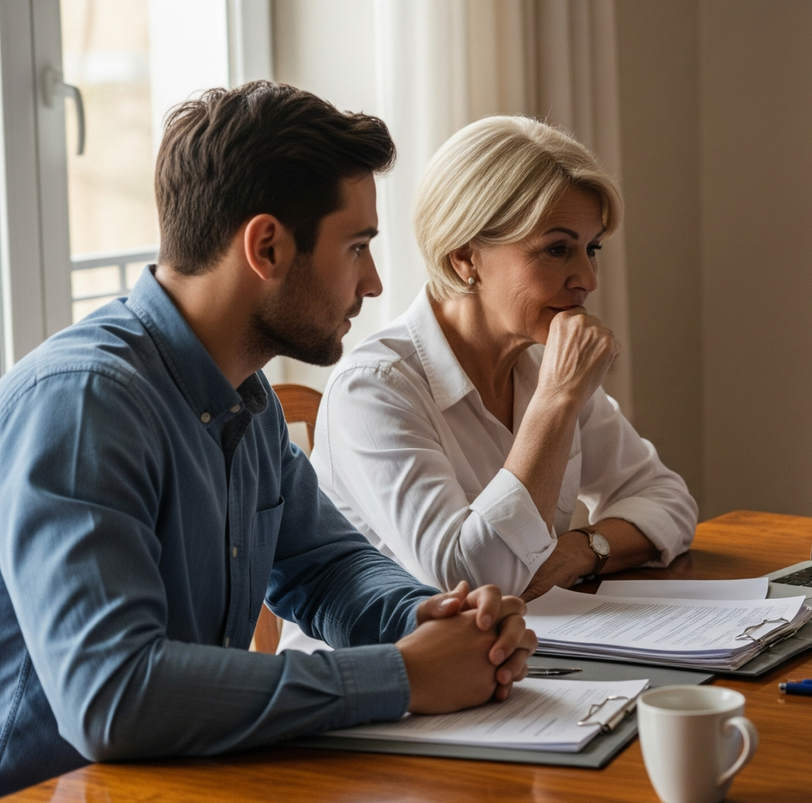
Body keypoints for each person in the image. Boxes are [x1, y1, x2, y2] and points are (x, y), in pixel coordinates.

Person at [0, 82, 535, 795]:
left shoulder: (242, 397)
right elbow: (113, 694)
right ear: (268, 246)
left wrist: (434, 617)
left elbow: (325, 566)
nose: (373, 283)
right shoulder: (84, 402)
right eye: (357, 247)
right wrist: (403, 674)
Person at [277, 116, 694, 657]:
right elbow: (468, 582)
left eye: (591, 249)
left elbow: (668, 500)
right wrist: (556, 403)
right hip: (378, 698)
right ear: (466, 257)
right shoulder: (374, 388)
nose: (587, 280)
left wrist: (581, 549)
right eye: (556, 249)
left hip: (509, 666)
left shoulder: (542, 361)